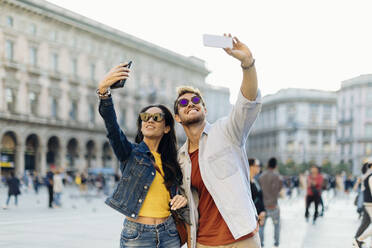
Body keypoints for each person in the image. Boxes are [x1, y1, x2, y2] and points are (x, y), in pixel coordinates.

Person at [174, 34, 262, 248]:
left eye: (196, 100)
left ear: (205, 109)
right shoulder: (180, 158)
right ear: (177, 117)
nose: (190, 104)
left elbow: (247, 103)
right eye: (183, 103)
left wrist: (247, 64)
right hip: (203, 242)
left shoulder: (227, 131)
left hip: (242, 238)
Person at [97, 63, 189, 248]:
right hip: (137, 234)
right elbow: (113, 128)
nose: (149, 120)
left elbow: (185, 190)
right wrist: (104, 93)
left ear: (167, 128)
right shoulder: (129, 153)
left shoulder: (174, 160)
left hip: (170, 232)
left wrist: (183, 197)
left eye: (156, 118)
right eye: (145, 117)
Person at [258, 157, 283, 247]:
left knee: (261, 227)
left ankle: (261, 243)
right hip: (274, 206)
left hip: (263, 206)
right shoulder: (277, 176)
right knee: (276, 226)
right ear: (275, 165)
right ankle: (276, 243)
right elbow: (279, 189)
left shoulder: (261, 176)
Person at [354, 161, 372, 247]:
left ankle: (357, 239)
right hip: (369, 203)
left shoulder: (365, 176)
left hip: (366, 201)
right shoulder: (370, 177)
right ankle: (358, 239)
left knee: (366, 222)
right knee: (366, 222)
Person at [248, 158, 266, 230]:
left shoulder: (255, 180)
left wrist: (263, 211)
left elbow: (259, 197)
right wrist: (258, 213)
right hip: (253, 218)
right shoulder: (246, 182)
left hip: (259, 216)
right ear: (250, 167)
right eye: (258, 165)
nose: (259, 167)